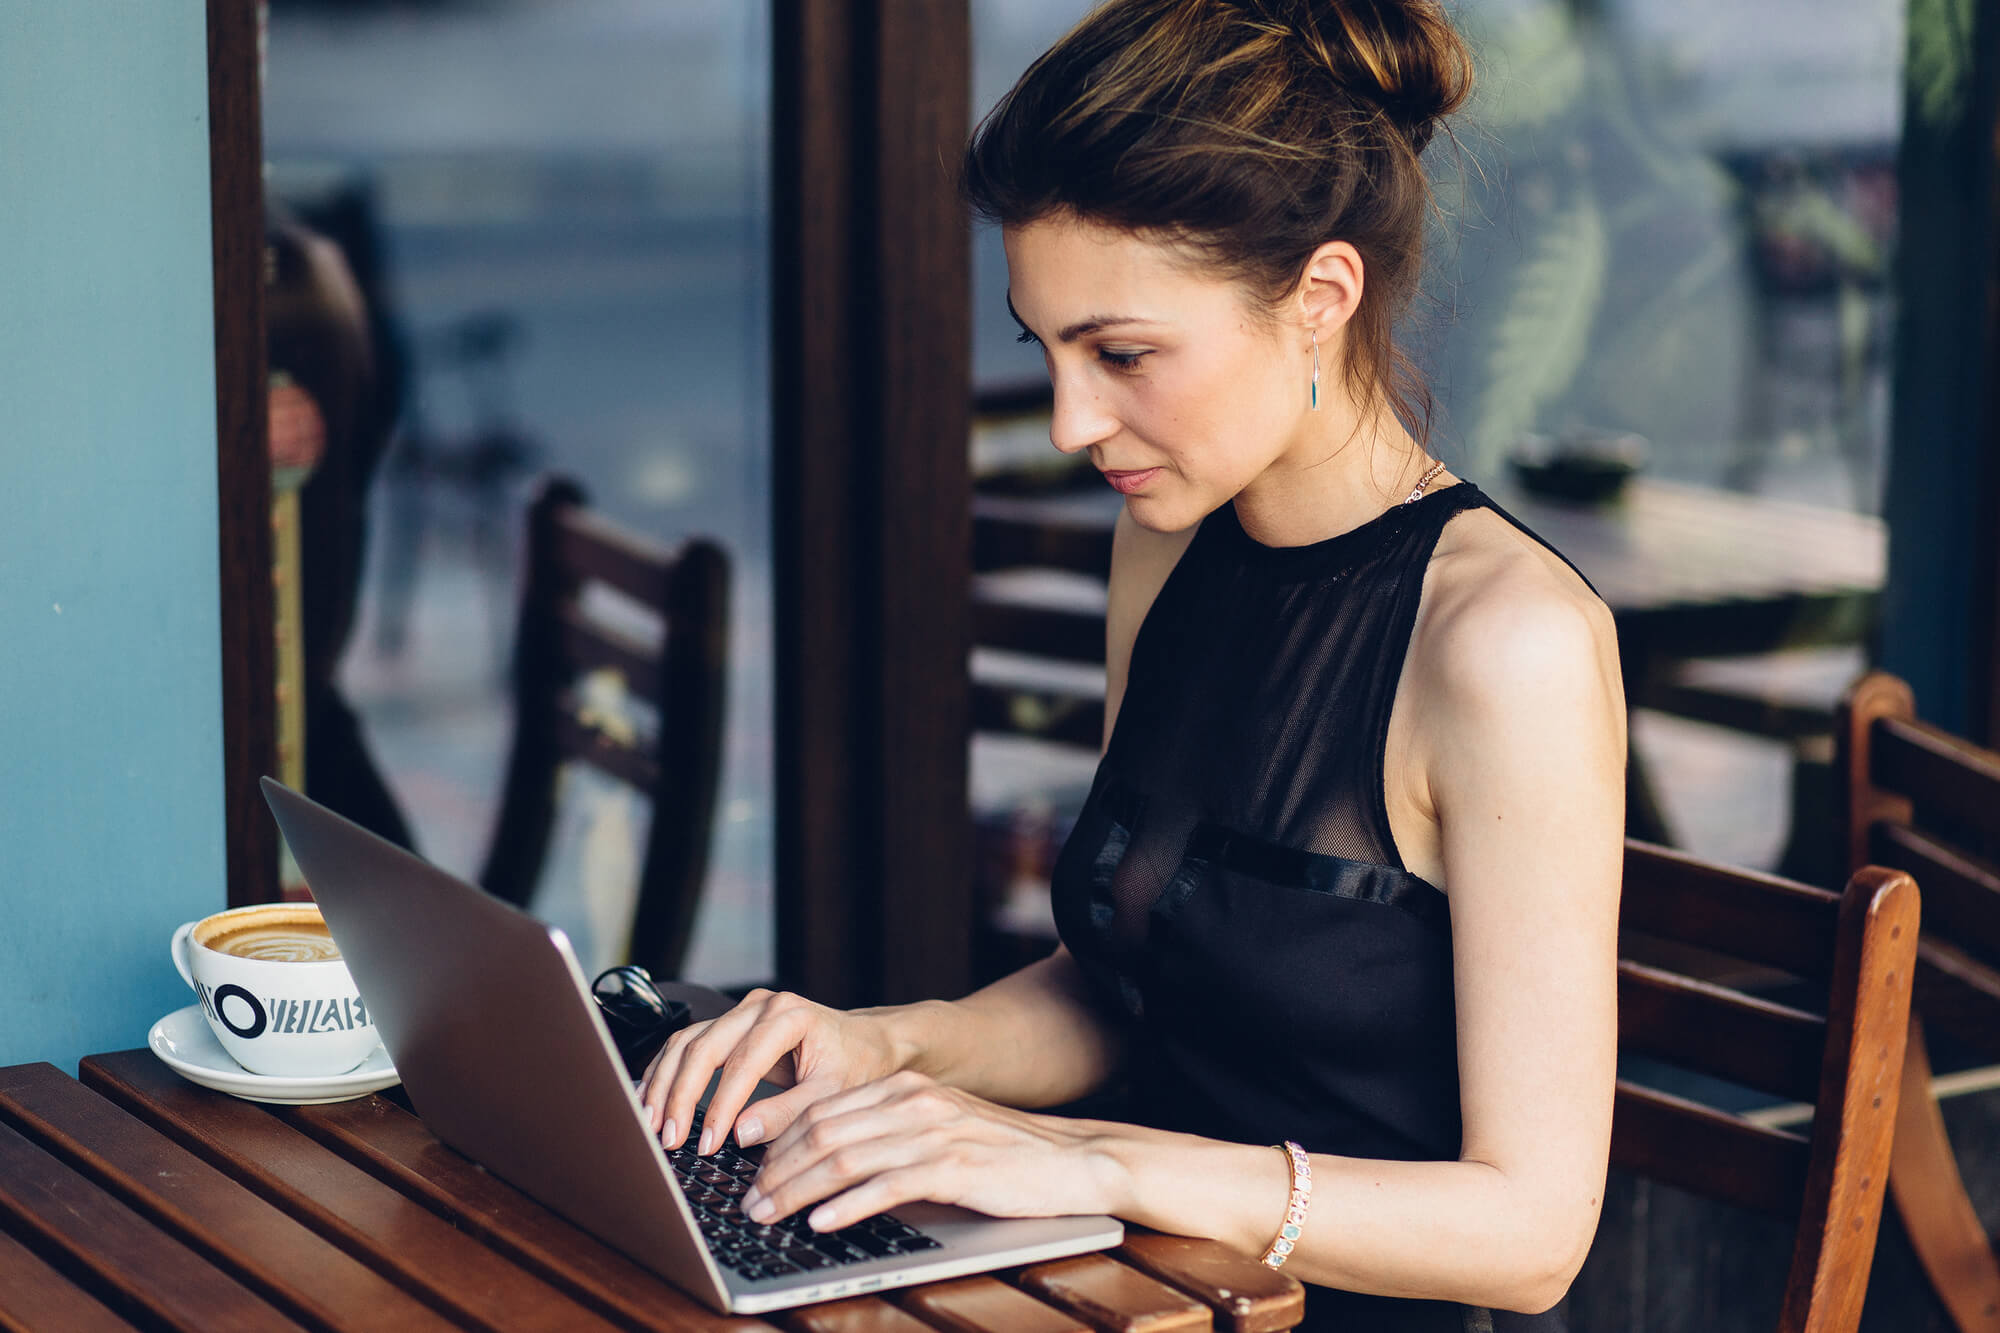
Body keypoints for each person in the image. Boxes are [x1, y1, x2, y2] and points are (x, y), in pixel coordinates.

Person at [643, 2, 1624, 1327]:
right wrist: (886, 1041)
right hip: (1129, 1291)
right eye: (1044, 348)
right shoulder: (1168, 542)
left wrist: (1091, 1161)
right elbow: (1138, 988)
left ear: (1320, 299)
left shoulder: (1509, 645)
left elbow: (1532, 1234)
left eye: (1121, 354)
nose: (1070, 421)